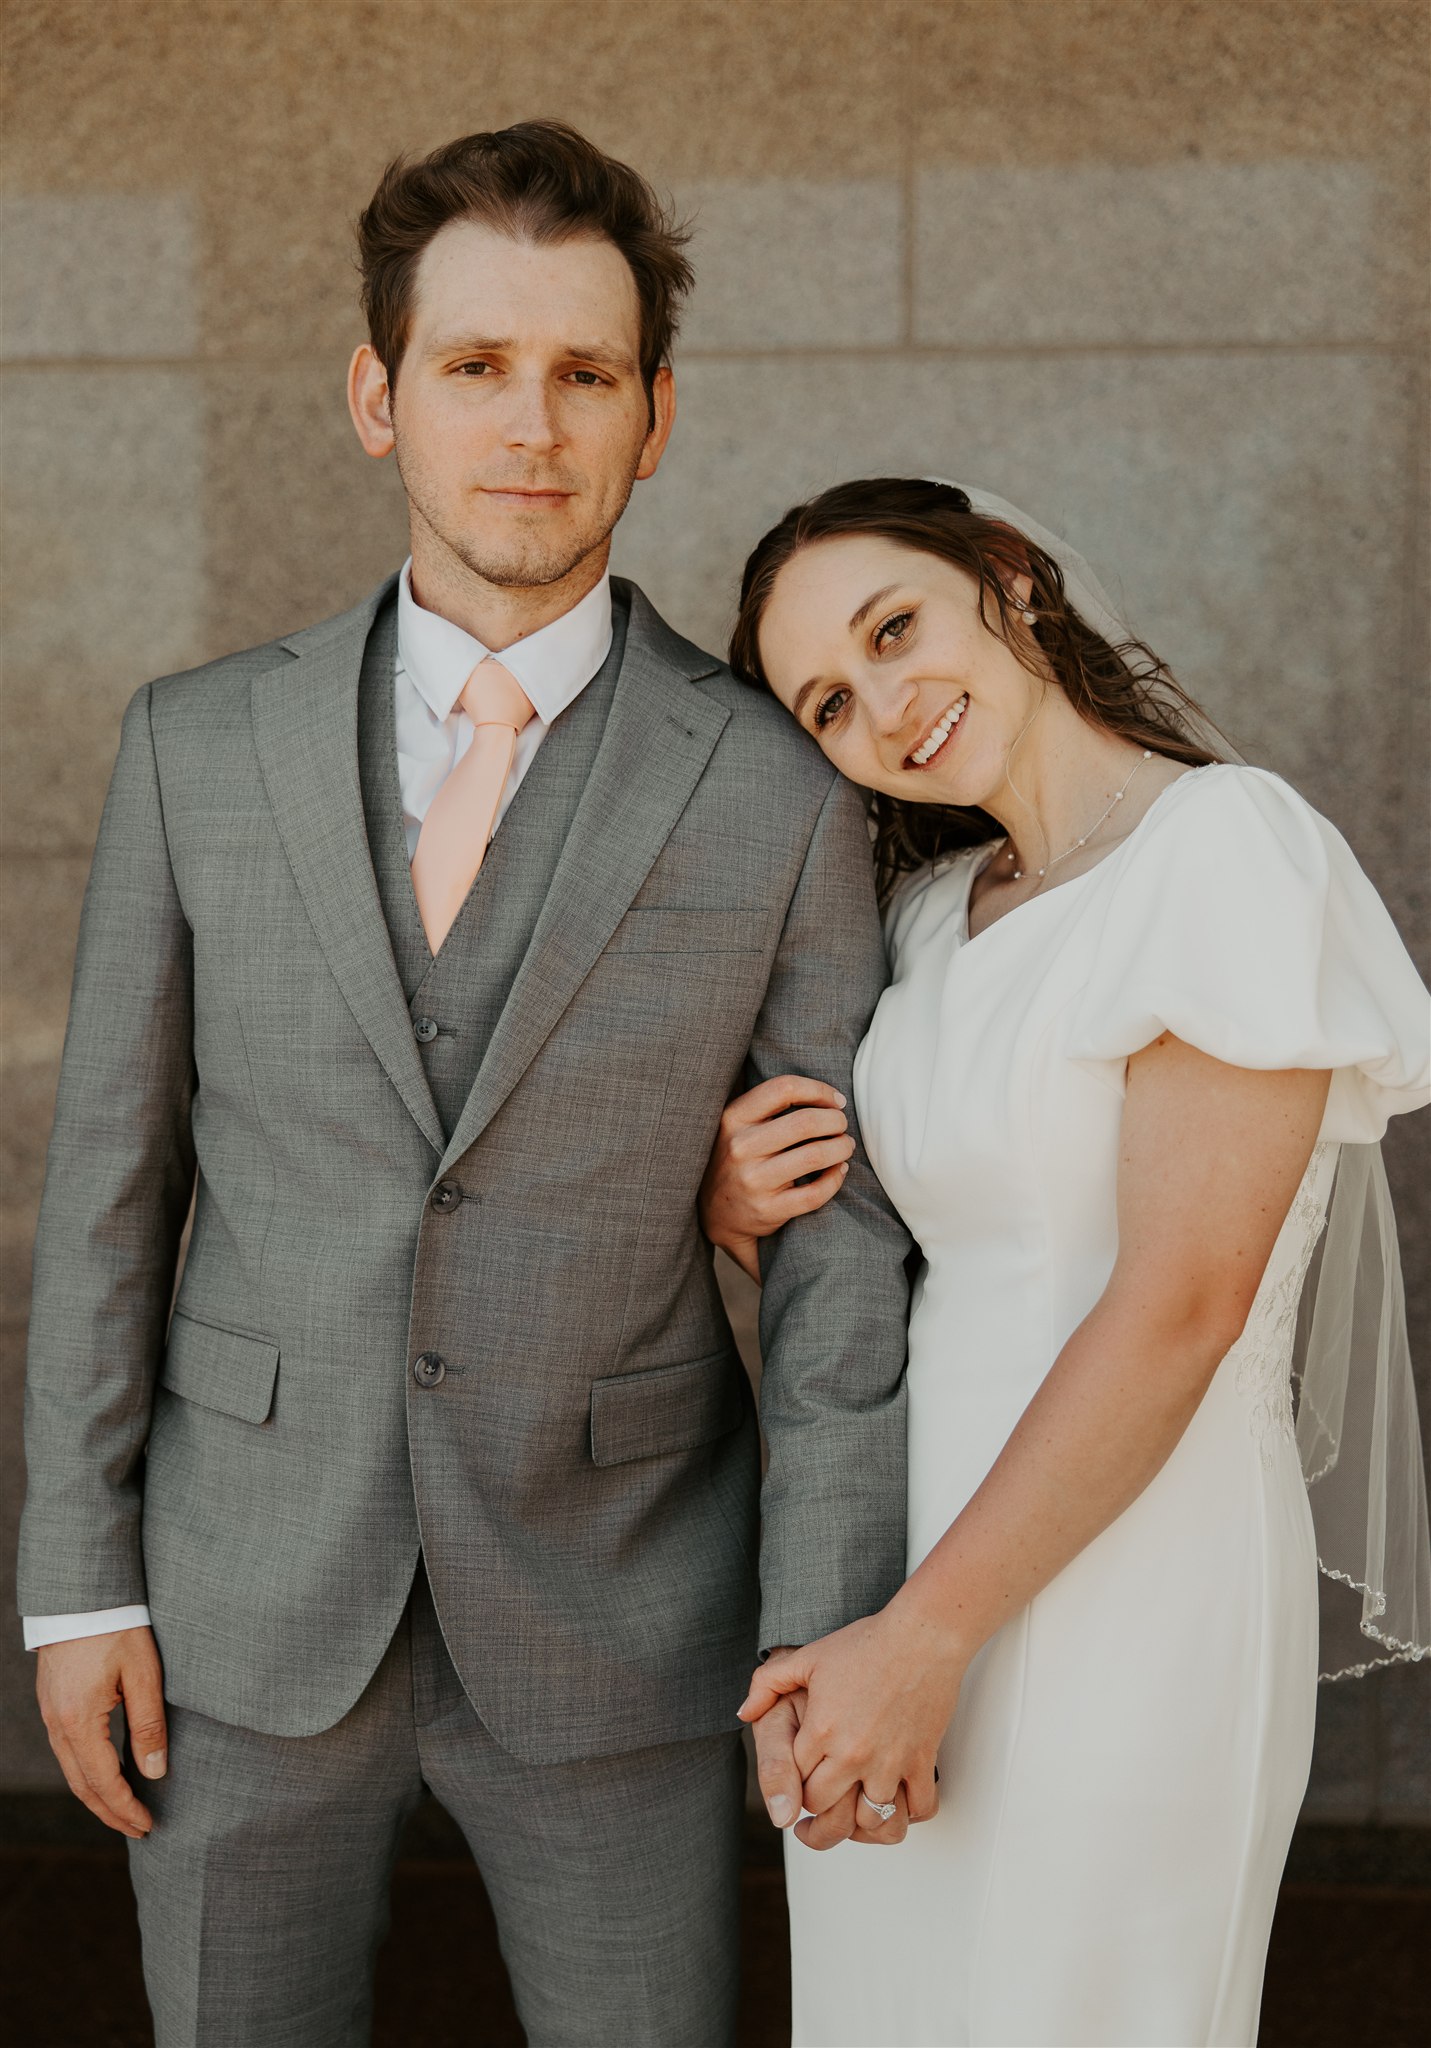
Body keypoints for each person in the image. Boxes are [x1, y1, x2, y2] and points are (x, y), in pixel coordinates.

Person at [16, 125, 914, 2047]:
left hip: (631, 1619)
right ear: (376, 394)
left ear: (654, 416)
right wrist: (74, 1587)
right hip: (239, 1603)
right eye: (474, 366)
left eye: (585, 373)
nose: (533, 424)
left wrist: (823, 1624)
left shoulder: (777, 785)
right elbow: (111, 1186)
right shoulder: (195, 747)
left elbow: (839, 1250)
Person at [701, 477, 1431, 2047]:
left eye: (896, 629)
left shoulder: (1225, 849)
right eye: (828, 699)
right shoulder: (921, 921)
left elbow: (1181, 1306)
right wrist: (742, 1216)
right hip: (896, 1578)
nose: (885, 707)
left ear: (1010, 579)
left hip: (1128, 1577)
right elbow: (901, 1285)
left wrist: (926, 1640)